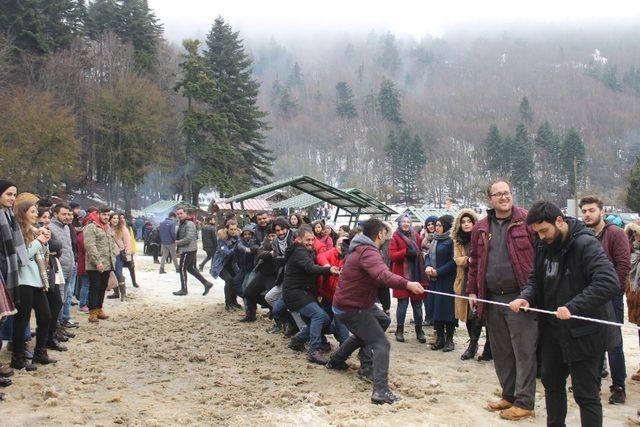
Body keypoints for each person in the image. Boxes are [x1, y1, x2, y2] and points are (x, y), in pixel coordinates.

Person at [510, 201, 621, 427]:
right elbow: (535, 279)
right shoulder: (543, 245)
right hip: (553, 330)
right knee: (552, 384)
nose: (541, 237)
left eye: (544, 231)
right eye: (537, 232)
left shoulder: (585, 244)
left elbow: (609, 282)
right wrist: (526, 297)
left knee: (586, 394)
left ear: (559, 221)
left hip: (585, 332)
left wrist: (573, 306)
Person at [327, 218, 425, 405]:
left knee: (382, 321)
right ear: (380, 234)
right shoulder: (368, 250)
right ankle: (380, 391)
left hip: (354, 303)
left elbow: (377, 276)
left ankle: (337, 360)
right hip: (352, 307)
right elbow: (382, 275)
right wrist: (407, 284)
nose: (387, 235)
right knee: (381, 344)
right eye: (385, 232)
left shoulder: (361, 247)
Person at [467, 179, 537, 421]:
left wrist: (533, 292)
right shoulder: (481, 227)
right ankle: (509, 396)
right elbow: (474, 262)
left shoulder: (527, 220)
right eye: (498, 194)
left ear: (512, 194)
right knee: (501, 351)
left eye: (506, 193)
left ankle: (525, 402)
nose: (503, 197)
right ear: (490, 199)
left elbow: (540, 258)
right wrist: (472, 291)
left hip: (521, 297)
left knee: (524, 351)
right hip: (491, 299)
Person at [579, 195, 630, 404]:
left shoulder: (615, 234)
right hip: (589, 297)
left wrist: (611, 292)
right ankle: (592, 382)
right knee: (592, 341)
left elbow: (623, 265)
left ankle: (619, 386)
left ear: (602, 211)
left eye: (591, 210)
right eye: (584, 211)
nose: (587, 214)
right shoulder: (583, 235)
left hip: (610, 298)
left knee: (614, 342)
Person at [283, 225, 340, 364]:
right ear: (299, 240)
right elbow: (310, 268)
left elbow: (320, 257)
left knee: (325, 319)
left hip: (304, 292)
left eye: (312, 239)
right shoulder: (299, 252)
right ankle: (314, 350)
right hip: (294, 293)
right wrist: (329, 270)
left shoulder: (309, 250)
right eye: (307, 240)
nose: (310, 242)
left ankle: (297, 340)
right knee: (319, 315)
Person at [12, 200, 56, 369]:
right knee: (22, 321)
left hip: (37, 280)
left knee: (46, 316)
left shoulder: (35, 230)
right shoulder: (18, 231)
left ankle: (40, 352)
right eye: (32, 211)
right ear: (23, 213)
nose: (35, 215)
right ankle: (18, 357)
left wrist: (43, 239)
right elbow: (21, 257)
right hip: (23, 281)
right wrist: (40, 241)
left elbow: (42, 255)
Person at [452, 209, 488, 360]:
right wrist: (468, 260)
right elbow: (457, 259)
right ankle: (472, 345)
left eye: (469, 221)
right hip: (463, 280)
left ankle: (488, 347)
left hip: (481, 280)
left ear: (474, 223)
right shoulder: (458, 240)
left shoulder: (481, 237)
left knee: (481, 315)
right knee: (468, 315)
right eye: (463, 222)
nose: (466, 224)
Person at [389, 214, 427, 343]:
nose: (405, 223)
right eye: (403, 221)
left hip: (416, 273)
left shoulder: (416, 235)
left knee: (417, 304)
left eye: (407, 221)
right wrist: (405, 252)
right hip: (401, 275)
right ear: (399, 223)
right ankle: (399, 330)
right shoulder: (395, 236)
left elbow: (420, 251)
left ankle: (419, 330)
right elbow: (392, 256)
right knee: (402, 304)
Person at [425, 215, 457, 352]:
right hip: (434, 281)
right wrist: (427, 266)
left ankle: (449, 339)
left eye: (439, 225)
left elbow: (453, 261)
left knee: (447, 310)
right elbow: (428, 256)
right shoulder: (434, 240)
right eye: (435, 225)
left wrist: (438, 272)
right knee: (436, 310)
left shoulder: (452, 241)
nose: (436, 228)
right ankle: (440, 338)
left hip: (447, 281)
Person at [83, 207, 117, 323]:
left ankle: (99, 309)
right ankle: (92, 312)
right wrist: (97, 262)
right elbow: (90, 246)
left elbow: (111, 244)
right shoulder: (91, 227)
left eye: (108, 215)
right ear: (98, 214)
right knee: (95, 287)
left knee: (103, 287)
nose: (106, 217)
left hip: (107, 263)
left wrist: (113, 259)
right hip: (95, 265)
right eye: (104, 215)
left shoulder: (107, 227)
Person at [49, 203, 78, 330]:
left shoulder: (66, 227)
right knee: (57, 301)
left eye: (68, 214)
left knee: (65, 298)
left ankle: (60, 324)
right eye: (64, 214)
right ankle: (55, 328)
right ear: (55, 214)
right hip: (58, 269)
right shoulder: (50, 227)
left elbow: (69, 248)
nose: (67, 217)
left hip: (69, 267)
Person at [173, 207, 213, 296]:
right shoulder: (182, 223)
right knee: (190, 268)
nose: (179, 215)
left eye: (181, 213)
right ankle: (206, 283)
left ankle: (184, 289)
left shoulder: (189, 223)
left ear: (186, 213)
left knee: (182, 268)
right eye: (178, 214)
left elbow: (189, 238)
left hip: (188, 249)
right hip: (188, 249)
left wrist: (177, 242)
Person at [211, 220, 241, 310]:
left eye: (235, 229)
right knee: (229, 280)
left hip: (232, 265)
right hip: (220, 266)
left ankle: (234, 301)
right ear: (227, 229)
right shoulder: (222, 239)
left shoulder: (238, 238)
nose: (233, 231)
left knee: (235, 281)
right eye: (231, 229)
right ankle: (228, 303)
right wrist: (236, 247)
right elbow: (227, 253)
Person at [626, 220, 640, 382]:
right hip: (636, 299)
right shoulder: (632, 253)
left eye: (637, 233)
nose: (636, 237)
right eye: (634, 234)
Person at [108, 213, 132, 301]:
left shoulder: (123, 228)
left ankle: (123, 294)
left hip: (118, 254)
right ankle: (116, 292)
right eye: (113, 218)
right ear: (110, 219)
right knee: (112, 273)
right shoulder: (106, 228)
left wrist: (128, 255)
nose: (115, 220)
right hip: (108, 255)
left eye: (117, 218)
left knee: (118, 273)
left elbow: (127, 242)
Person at [421, 215, 438, 326]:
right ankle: (428, 317)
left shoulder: (441, 238)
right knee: (427, 297)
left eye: (433, 224)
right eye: (429, 224)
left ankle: (437, 319)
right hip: (426, 271)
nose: (431, 226)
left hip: (439, 271)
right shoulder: (424, 239)